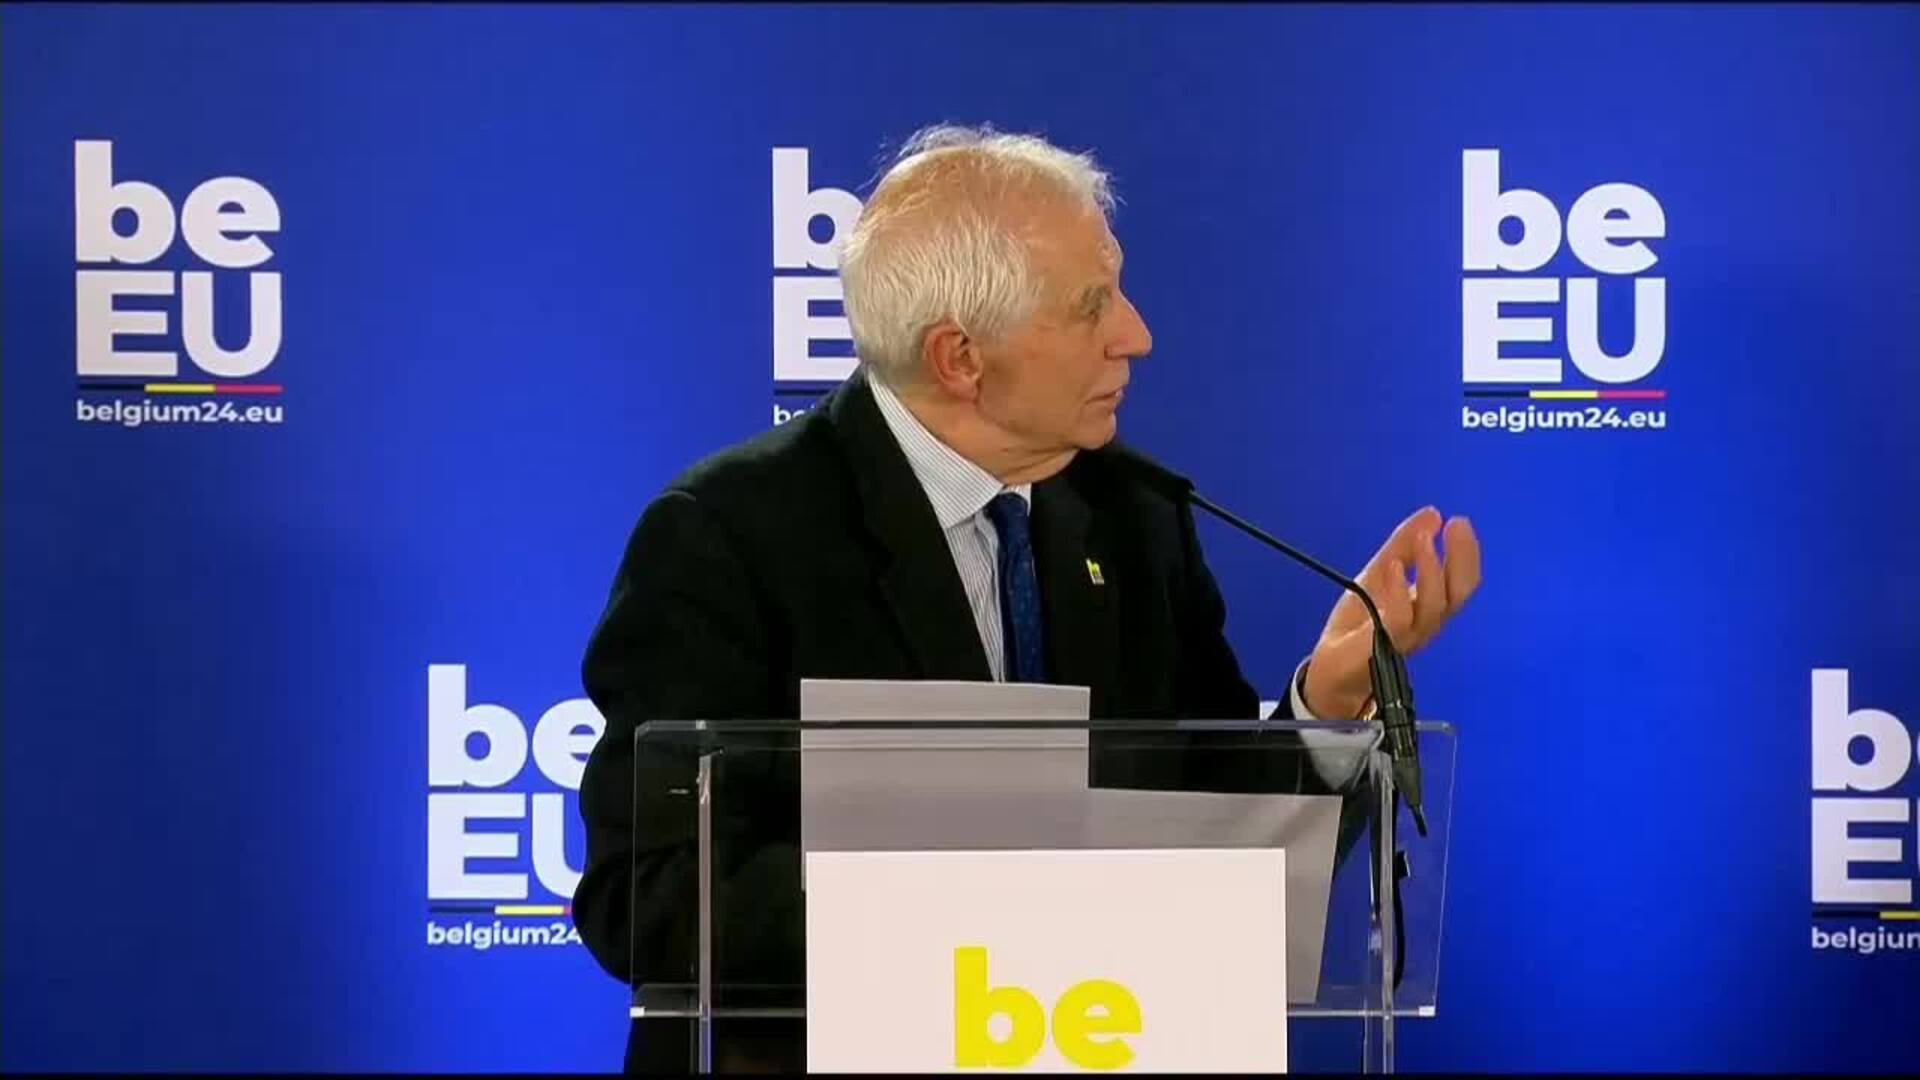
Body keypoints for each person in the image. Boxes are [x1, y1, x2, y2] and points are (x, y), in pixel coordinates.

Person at [573, 123, 1482, 1072]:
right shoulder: (727, 535)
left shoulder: (1132, 516)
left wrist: (1323, 707)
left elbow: (1214, 830)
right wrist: (983, 910)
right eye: (1093, 307)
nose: (1136, 335)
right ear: (960, 358)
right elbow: (646, 896)